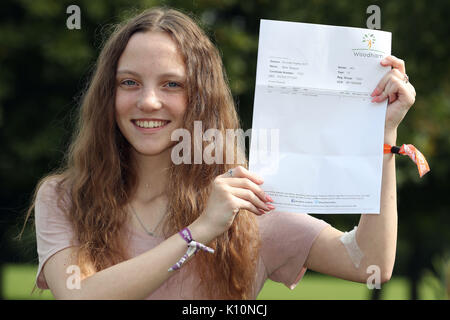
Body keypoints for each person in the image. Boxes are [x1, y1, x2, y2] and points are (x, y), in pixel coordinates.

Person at [24, 7, 416, 299]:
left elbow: (370, 264)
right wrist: (199, 231)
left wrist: (380, 136)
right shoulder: (64, 198)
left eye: (171, 85)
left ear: (201, 98)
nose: (147, 101)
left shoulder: (247, 206)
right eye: (129, 82)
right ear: (108, 94)